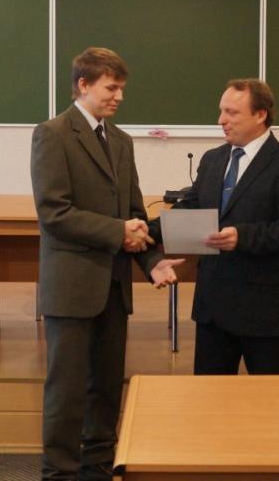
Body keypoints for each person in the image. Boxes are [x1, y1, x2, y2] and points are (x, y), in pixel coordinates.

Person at [31, 47, 183, 481]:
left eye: (121, 89)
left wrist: (153, 262)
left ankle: (98, 464)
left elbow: (134, 214)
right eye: (111, 88)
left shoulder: (120, 141)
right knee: (67, 389)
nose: (119, 97)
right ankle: (59, 472)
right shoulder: (52, 134)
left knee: (107, 385)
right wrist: (118, 232)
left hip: (113, 285)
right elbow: (54, 213)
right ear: (83, 85)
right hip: (72, 285)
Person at [151, 78, 279, 375]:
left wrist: (243, 237)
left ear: (260, 114)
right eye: (221, 111)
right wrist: (145, 230)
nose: (221, 120)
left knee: (270, 399)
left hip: (264, 312)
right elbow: (192, 206)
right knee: (210, 398)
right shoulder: (213, 159)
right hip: (213, 310)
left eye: (231, 112)